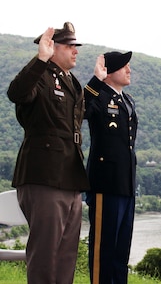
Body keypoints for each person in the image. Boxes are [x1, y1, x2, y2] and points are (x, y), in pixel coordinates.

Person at [7, 22, 90, 284]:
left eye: (76, 46)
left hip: (69, 177)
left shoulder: (71, 82)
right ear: (52, 49)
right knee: (44, 255)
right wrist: (40, 59)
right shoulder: (40, 76)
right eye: (69, 46)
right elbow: (16, 93)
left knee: (66, 255)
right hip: (44, 176)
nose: (76, 51)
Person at [84, 51, 138, 283]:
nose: (129, 70)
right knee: (103, 250)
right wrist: (95, 80)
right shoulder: (98, 96)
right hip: (105, 184)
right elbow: (79, 108)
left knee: (120, 252)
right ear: (109, 72)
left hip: (125, 184)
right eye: (124, 66)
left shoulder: (126, 100)